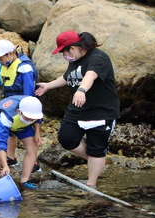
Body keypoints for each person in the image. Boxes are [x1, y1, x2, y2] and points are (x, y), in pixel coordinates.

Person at [35, 31, 120, 188]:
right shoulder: (75, 60)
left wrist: (81, 90)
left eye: (63, 52)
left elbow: (91, 75)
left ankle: (91, 184)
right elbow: (68, 77)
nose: (64, 55)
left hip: (101, 112)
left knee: (96, 149)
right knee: (67, 138)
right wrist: (48, 85)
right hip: (77, 111)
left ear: (72, 48)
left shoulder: (98, 58)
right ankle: (97, 159)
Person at [0, 40, 40, 171]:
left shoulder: (24, 68)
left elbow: (29, 94)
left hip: (25, 105)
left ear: (10, 54)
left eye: (0, 58)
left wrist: (34, 122)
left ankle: (34, 162)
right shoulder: (5, 66)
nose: (0, 61)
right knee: (10, 131)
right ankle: (11, 157)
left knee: (27, 131)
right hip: (9, 104)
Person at [0, 95, 43, 188]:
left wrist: (37, 133)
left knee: (33, 147)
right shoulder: (5, 117)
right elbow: (1, 143)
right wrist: (5, 165)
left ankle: (24, 180)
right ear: (19, 112)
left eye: (32, 118)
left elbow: (37, 119)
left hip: (22, 126)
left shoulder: (34, 108)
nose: (30, 119)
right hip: (8, 123)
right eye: (28, 117)